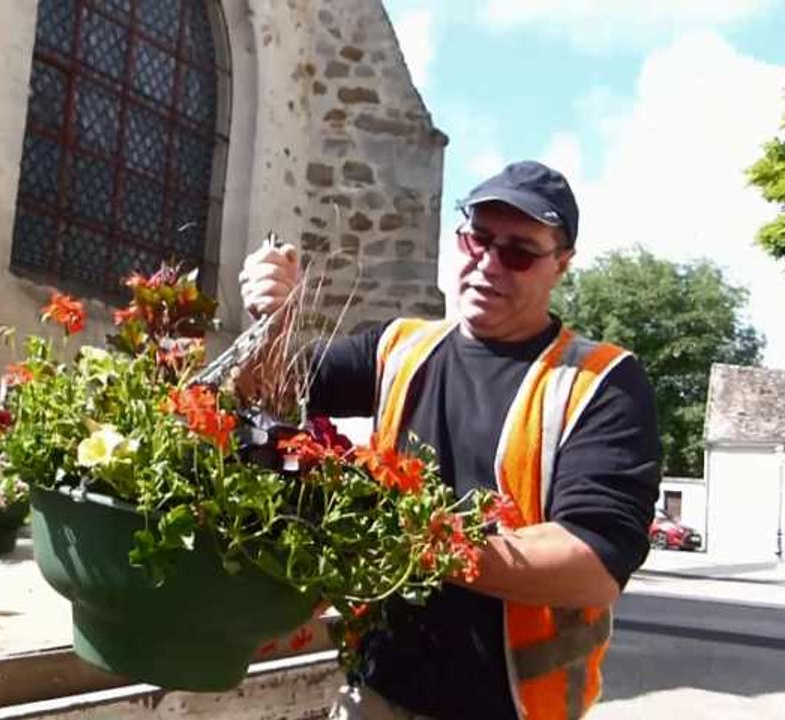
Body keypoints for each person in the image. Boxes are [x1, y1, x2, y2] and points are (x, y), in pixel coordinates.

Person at [237, 160, 662, 720]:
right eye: (477, 239)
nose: (488, 263)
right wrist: (271, 319)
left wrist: (409, 539)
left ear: (561, 264)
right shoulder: (400, 346)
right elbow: (268, 396)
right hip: (377, 687)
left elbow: (593, 565)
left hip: (511, 707)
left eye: (518, 252)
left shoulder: (599, 383)